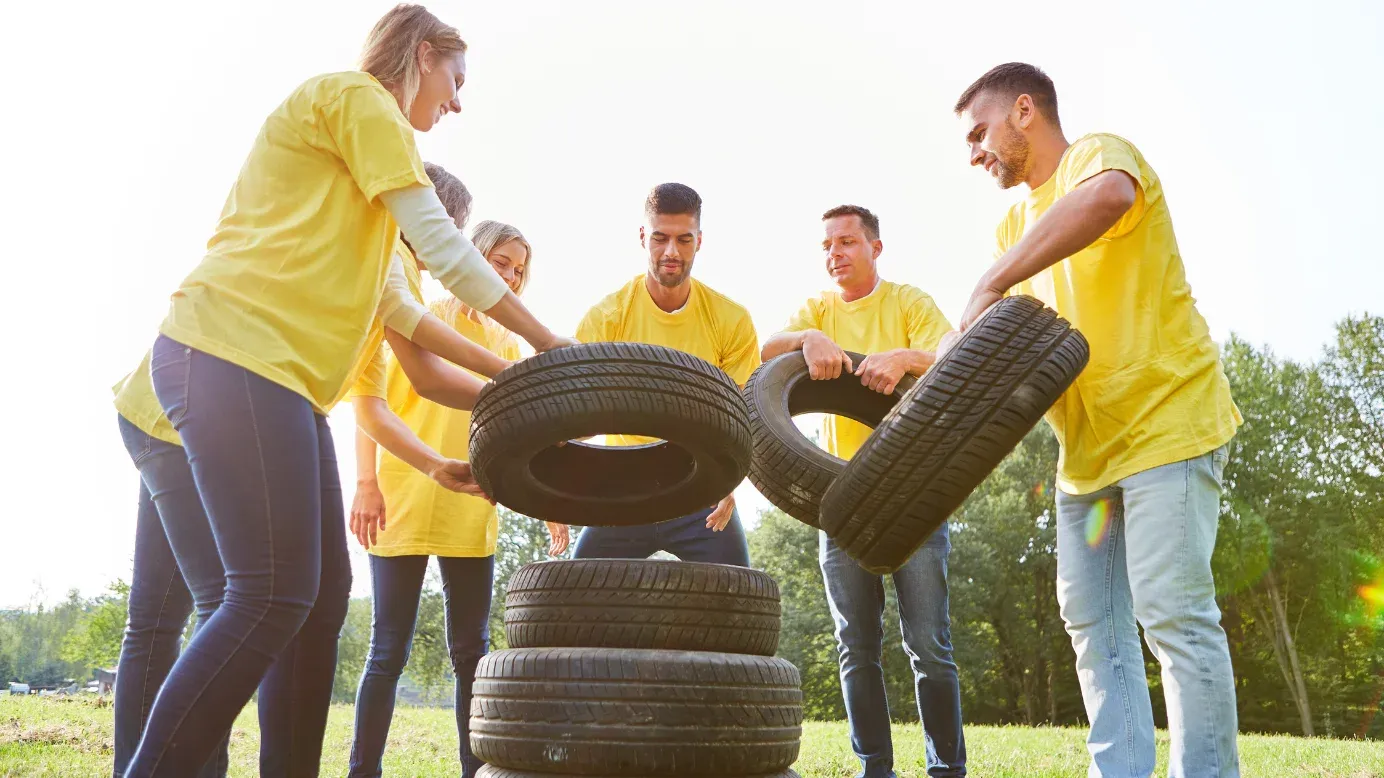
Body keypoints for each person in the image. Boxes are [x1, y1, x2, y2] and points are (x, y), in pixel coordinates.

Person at [123, 5, 572, 774]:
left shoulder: (361, 213)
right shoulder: (361, 100)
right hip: (230, 356)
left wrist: (523, 378)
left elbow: (412, 325)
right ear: (423, 54)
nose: (457, 103)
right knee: (266, 595)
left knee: (320, 596)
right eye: (455, 79)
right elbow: (444, 247)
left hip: (270, 381)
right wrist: (548, 345)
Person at [109, 163, 517, 777]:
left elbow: (373, 406)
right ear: (436, 224)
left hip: (156, 408)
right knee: (236, 602)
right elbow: (426, 369)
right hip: (197, 415)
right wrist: (526, 384)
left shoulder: (364, 254)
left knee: (163, 619)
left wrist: (435, 463)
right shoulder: (387, 253)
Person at [953, 62, 1242, 777]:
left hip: (1165, 422)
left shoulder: (1098, 156)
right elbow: (998, 341)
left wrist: (993, 280)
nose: (974, 152)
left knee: (1172, 614)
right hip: (1084, 455)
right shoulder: (1012, 225)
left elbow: (1110, 196)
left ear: (1025, 111)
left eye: (979, 132)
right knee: (1094, 625)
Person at [347, 219, 567, 778]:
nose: (510, 277)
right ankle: (361, 771)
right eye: (501, 263)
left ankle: (476, 772)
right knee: (387, 650)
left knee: (471, 650)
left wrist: (547, 504)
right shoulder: (423, 315)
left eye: (518, 270)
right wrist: (365, 483)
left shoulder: (510, 345)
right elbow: (370, 403)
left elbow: (520, 433)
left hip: (471, 503)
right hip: (402, 495)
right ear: (471, 258)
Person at [761, 205, 965, 778]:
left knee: (929, 645)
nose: (835, 254)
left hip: (913, 493)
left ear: (875, 248)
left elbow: (954, 349)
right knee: (856, 647)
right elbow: (764, 351)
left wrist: (903, 358)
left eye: (847, 242)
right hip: (841, 499)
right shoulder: (819, 309)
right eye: (827, 245)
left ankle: (947, 769)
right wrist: (809, 337)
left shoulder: (907, 301)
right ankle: (875, 767)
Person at [564, 183, 759, 566]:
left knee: (738, 597)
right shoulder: (607, 318)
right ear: (642, 237)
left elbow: (741, 418)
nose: (671, 252)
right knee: (575, 591)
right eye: (660, 238)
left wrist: (729, 482)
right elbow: (576, 418)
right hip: (623, 488)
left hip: (698, 486)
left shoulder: (730, 319)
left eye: (684, 240)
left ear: (699, 241)